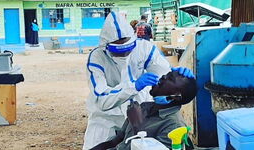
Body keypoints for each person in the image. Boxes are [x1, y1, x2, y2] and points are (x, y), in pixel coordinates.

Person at [83, 11, 194, 150]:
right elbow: (101, 99)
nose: (124, 54)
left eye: (128, 49)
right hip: (109, 115)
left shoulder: (171, 125)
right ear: (105, 46)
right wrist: (134, 87)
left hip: (137, 113)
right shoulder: (97, 57)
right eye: (117, 51)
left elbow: (165, 73)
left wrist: (178, 73)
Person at [90, 70, 198, 150]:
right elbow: (115, 142)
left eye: (170, 79)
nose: (163, 77)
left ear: (175, 96)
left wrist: (137, 126)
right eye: (166, 74)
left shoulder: (174, 126)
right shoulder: (144, 107)